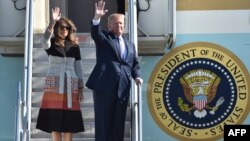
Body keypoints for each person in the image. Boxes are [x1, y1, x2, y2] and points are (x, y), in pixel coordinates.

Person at [85, 1, 143, 141]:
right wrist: (97, 17)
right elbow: (95, 33)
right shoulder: (104, 38)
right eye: (116, 23)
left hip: (122, 88)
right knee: (103, 123)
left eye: (122, 23)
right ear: (109, 25)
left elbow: (133, 64)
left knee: (118, 124)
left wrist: (137, 77)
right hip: (104, 87)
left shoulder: (130, 44)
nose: (120, 25)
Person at [36, 7, 84, 141]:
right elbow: (43, 40)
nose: (64, 30)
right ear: (56, 29)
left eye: (67, 28)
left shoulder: (74, 45)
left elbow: (78, 66)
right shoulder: (50, 43)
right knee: (54, 121)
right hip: (54, 86)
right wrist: (52, 22)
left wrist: (80, 88)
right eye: (61, 28)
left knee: (70, 121)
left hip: (71, 85)